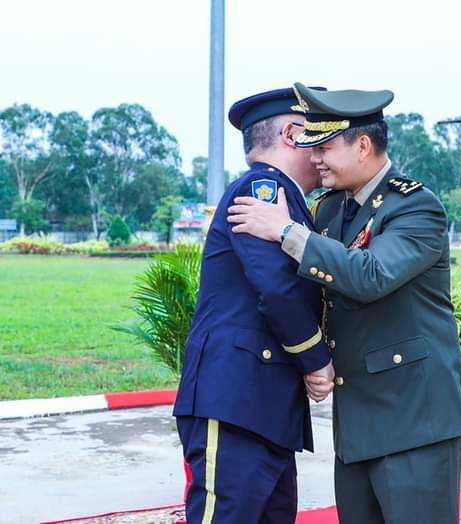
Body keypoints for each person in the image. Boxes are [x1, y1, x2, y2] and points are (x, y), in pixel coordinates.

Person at [227, 83, 461, 524]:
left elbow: (371, 275)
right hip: (357, 424)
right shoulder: (331, 209)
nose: (314, 157)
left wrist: (286, 231)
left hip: (415, 422)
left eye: (324, 147)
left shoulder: (416, 207)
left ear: (362, 146)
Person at [173, 87, 335, 524]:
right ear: (292, 134)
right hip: (235, 397)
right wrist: (316, 360)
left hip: (259, 400)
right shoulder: (263, 191)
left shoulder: (289, 201)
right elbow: (277, 286)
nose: (326, 150)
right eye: (320, 137)